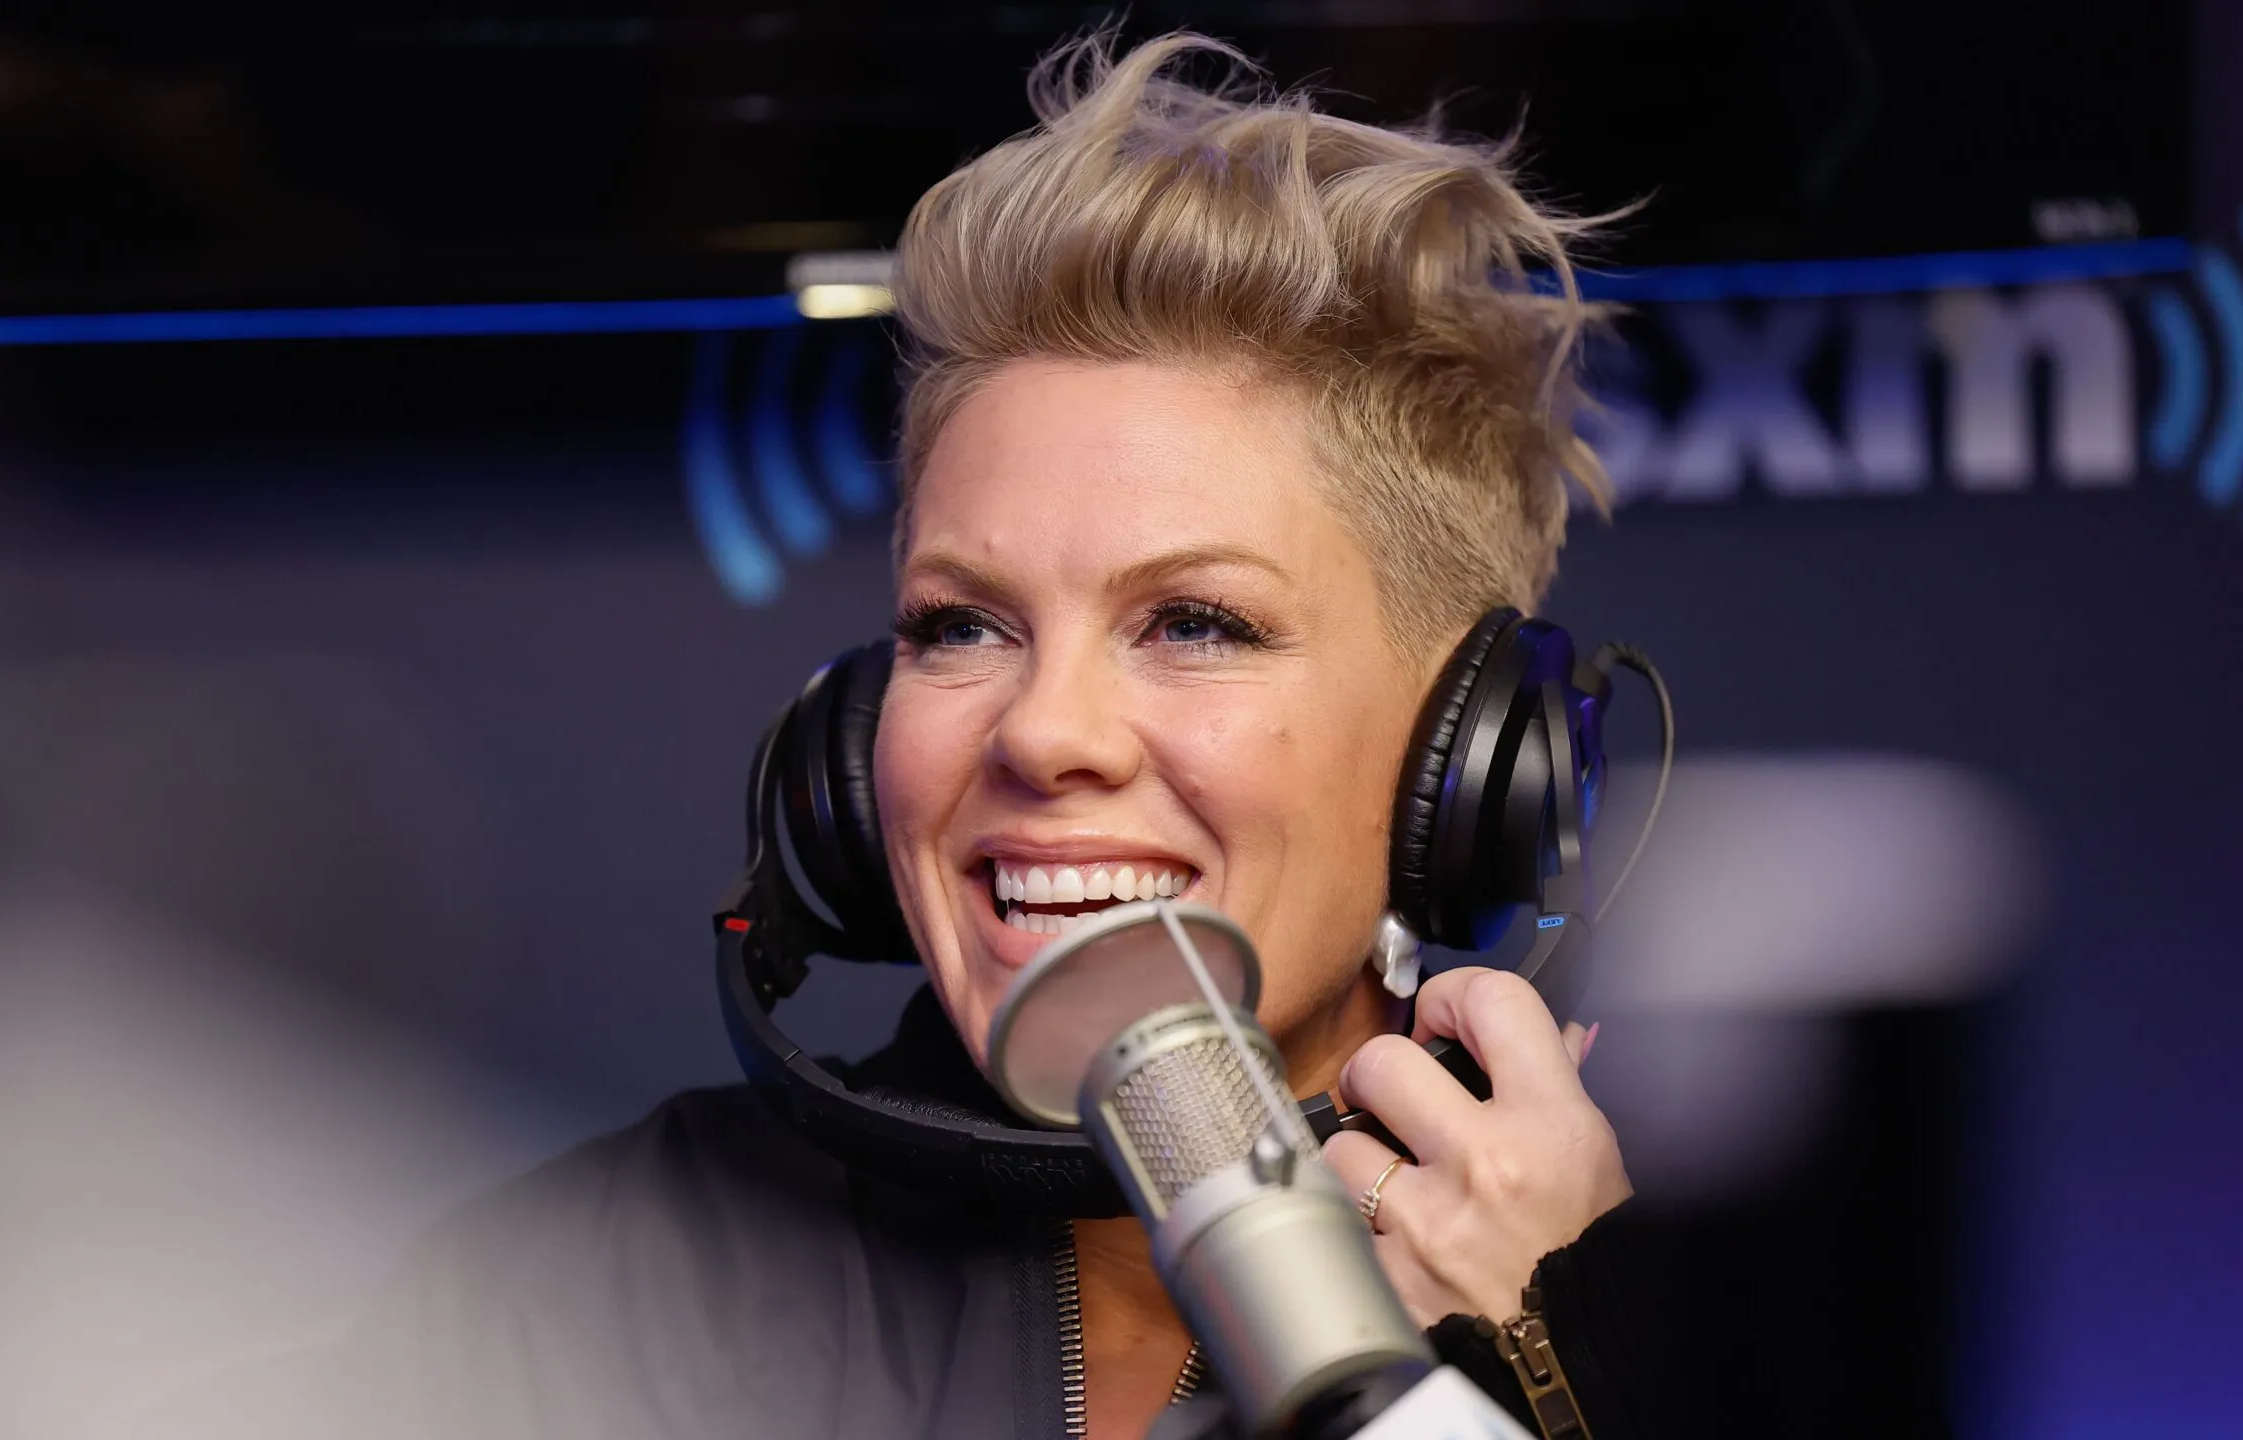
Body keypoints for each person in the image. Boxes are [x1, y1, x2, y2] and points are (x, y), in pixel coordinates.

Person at [321, 32, 1813, 1440]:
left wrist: (1549, 1359)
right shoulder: (587, 1292)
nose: (1044, 734)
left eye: (1197, 623)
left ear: (1470, 757)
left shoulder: (1705, 1334)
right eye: (961, 627)